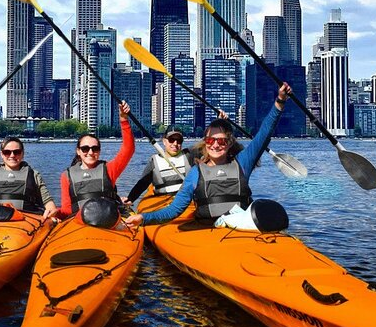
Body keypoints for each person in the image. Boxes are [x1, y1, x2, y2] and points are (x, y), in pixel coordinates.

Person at [124, 83, 292, 227]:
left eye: (222, 141)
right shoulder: (196, 173)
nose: (216, 145)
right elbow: (174, 210)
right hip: (207, 232)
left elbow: (264, 134)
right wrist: (143, 217)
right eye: (211, 141)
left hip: (241, 229)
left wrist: (280, 101)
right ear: (205, 143)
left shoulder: (242, 163)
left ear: (229, 143)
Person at [123, 109, 227, 204]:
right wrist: (130, 199)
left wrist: (219, 123)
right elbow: (142, 184)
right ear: (164, 141)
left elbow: (207, 142)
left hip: (185, 200)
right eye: (171, 140)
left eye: (179, 140)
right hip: (162, 201)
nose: (175, 143)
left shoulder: (189, 155)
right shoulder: (154, 161)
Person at [58, 101, 135, 218]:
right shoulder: (66, 176)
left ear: (99, 150)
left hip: (107, 219)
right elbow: (66, 209)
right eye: (85, 149)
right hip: (78, 223)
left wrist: (123, 119)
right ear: (78, 151)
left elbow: (128, 149)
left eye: (95, 148)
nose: (90, 152)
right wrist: (55, 213)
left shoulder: (109, 169)